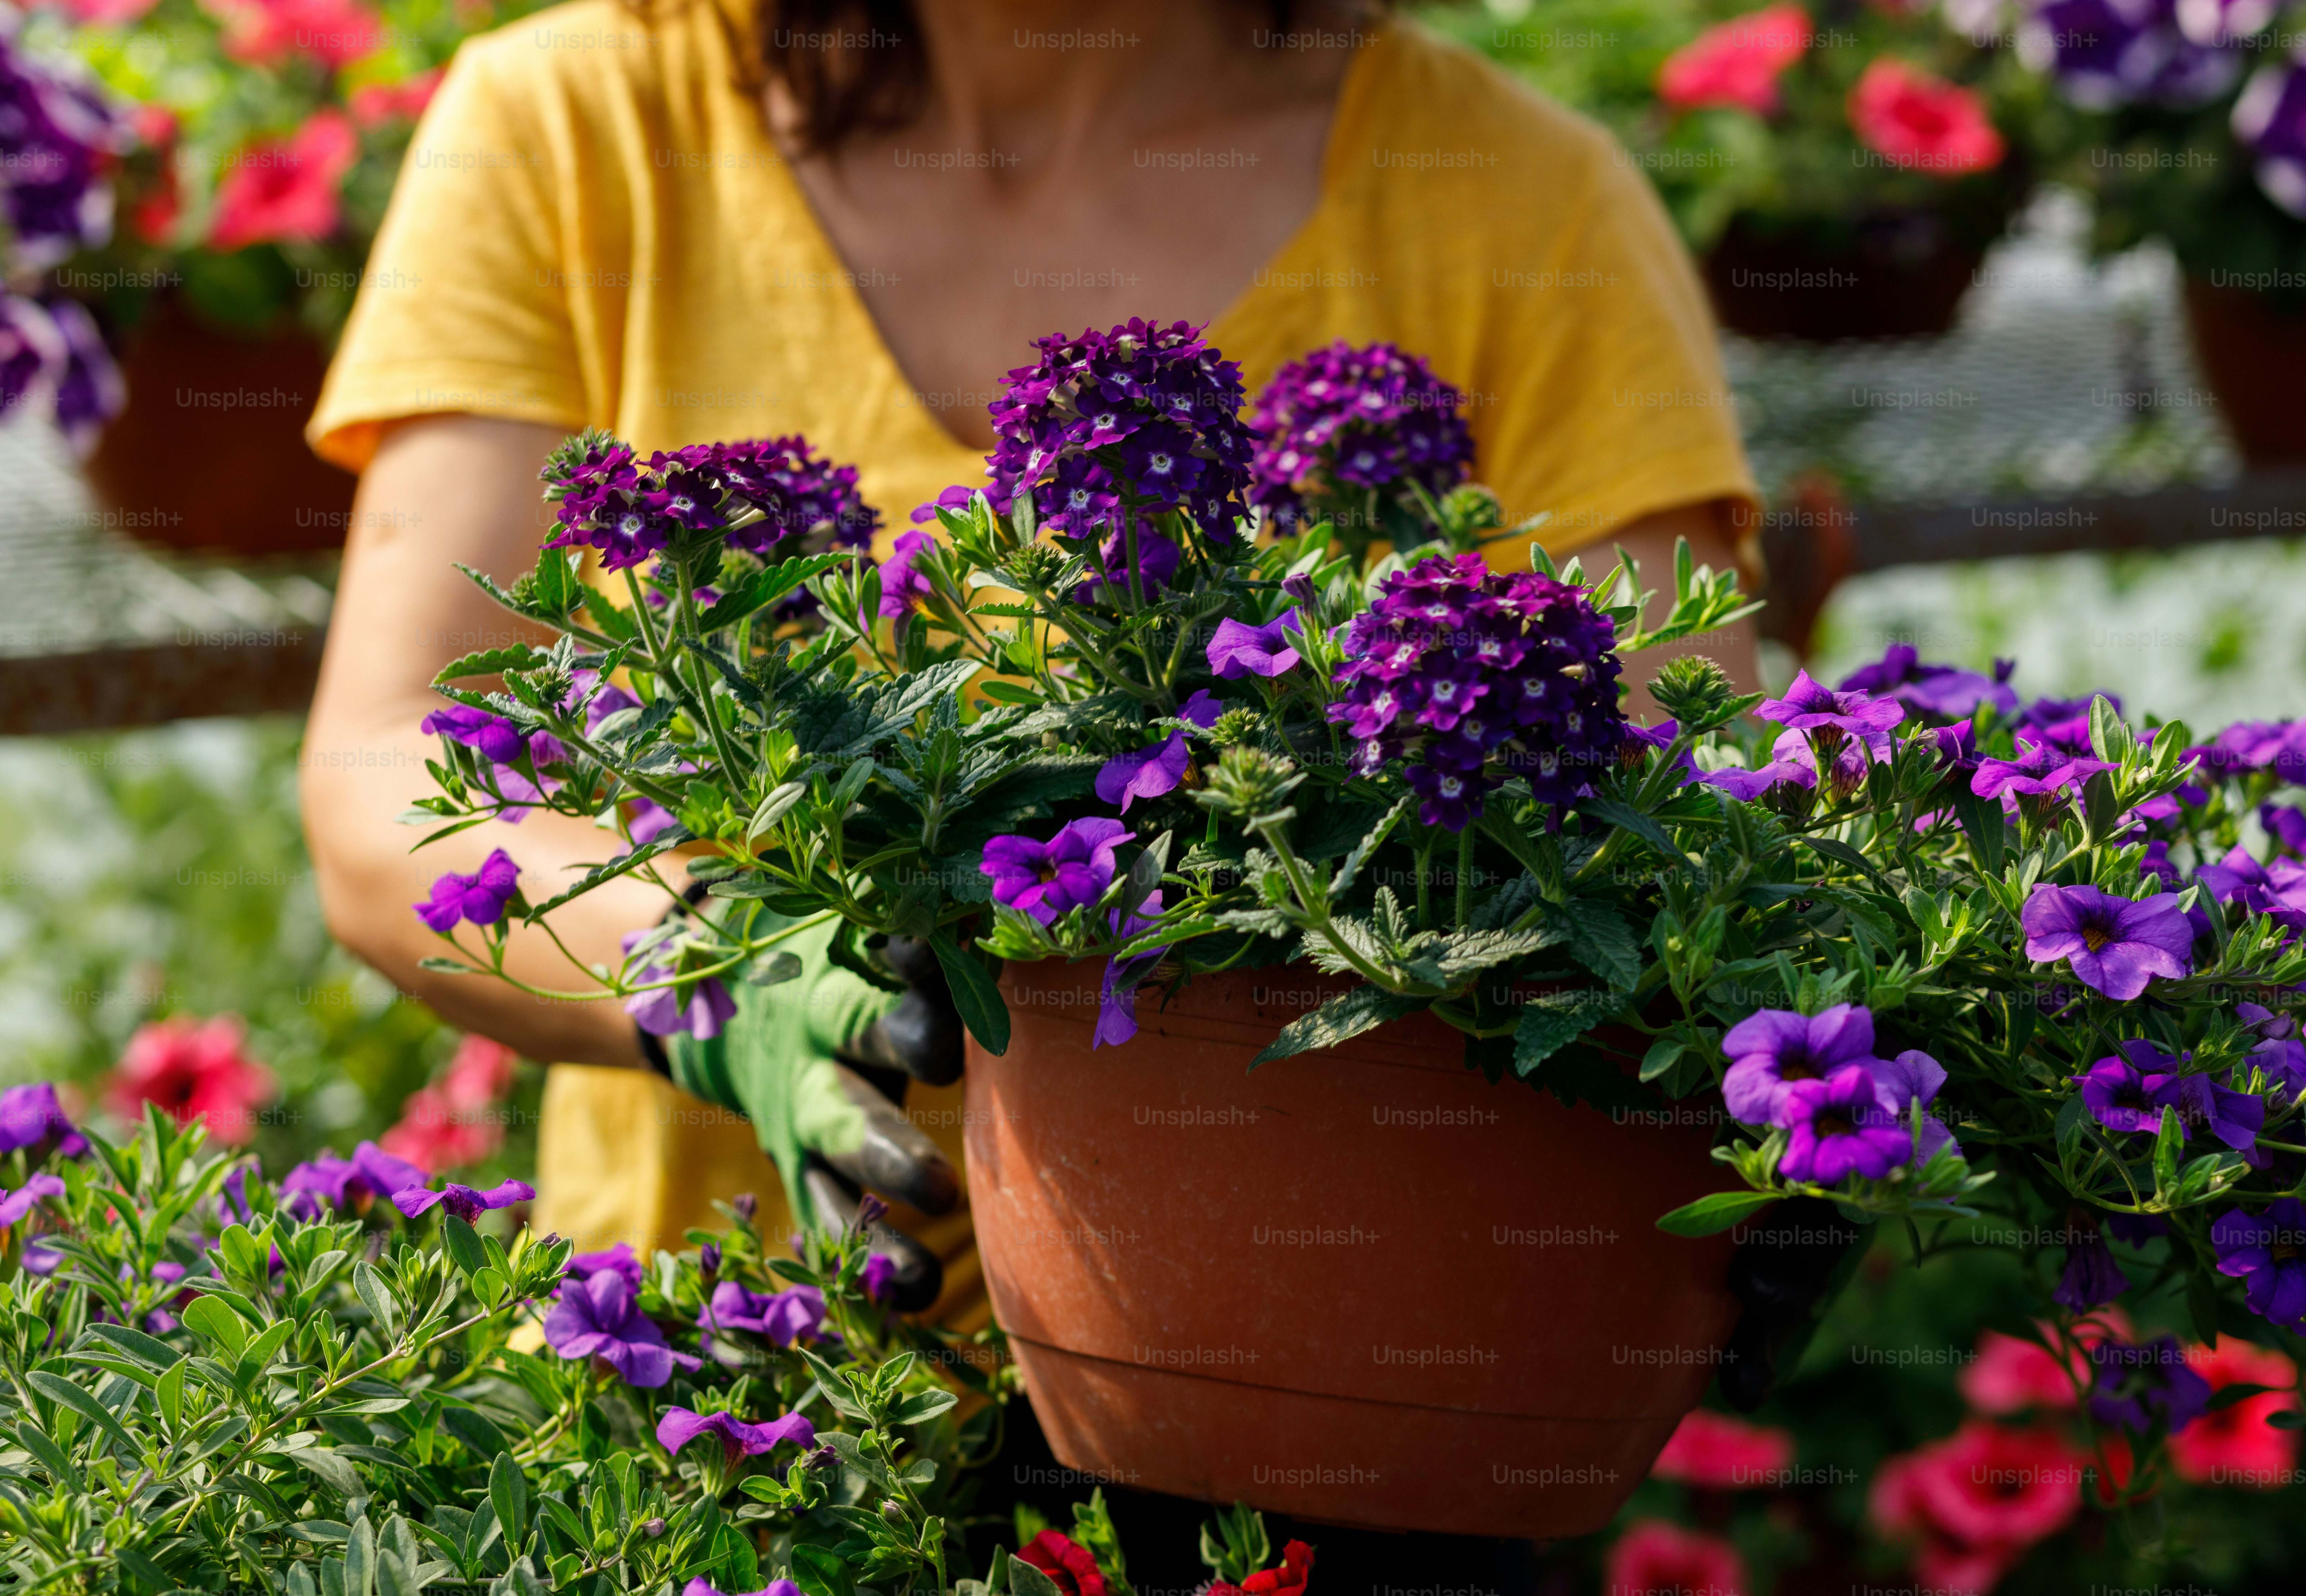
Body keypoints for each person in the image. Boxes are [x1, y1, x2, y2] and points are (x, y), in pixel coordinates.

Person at [299, 0, 1759, 1586]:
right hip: (731, 1425)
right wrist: (718, 969)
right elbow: (395, 770)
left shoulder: (1512, 192)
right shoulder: (580, 124)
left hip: (1342, 1448)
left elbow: (1673, 814)